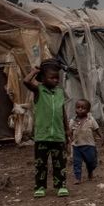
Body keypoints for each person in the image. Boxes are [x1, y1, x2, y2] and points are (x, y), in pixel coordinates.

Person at [23, 61, 72, 197]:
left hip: (58, 135)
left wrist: (67, 129)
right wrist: (34, 72)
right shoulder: (39, 91)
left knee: (60, 164)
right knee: (41, 164)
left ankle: (60, 186)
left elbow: (62, 112)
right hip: (42, 136)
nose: (56, 80)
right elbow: (26, 81)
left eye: (57, 77)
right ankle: (40, 187)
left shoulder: (60, 92)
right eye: (52, 77)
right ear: (43, 78)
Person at [69, 99, 103, 184]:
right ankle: (78, 178)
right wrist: (69, 140)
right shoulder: (72, 121)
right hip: (76, 146)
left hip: (89, 145)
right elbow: (69, 132)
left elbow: (97, 129)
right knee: (77, 163)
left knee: (91, 162)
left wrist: (102, 137)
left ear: (88, 110)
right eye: (78, 107)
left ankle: (90, 171)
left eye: (83, 108)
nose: (80, 109)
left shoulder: (91, 119)